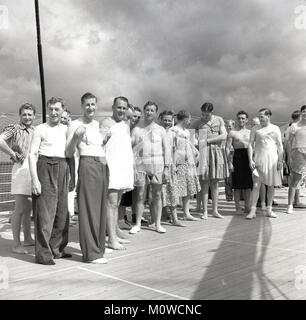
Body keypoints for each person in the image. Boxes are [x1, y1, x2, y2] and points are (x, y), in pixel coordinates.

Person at [66, 92, 108, 264]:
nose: (91, 108)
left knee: (99, 210)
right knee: (89, 209)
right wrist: (76, 137)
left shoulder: (97, 124)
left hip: (103, 165)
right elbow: (68, 152)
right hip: (88, 165)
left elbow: (98, 146)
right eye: (87, 105)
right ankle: (91, 253)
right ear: (82, 106)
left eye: (93, 104)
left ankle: (99, 247)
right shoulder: (74, 124)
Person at [29, 97, 71, 265]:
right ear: (47, 110)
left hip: (63, 166)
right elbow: (32, 154)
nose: (53, 112)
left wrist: (72, 177)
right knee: (45, 214)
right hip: (45, 166)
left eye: (57, 109)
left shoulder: (67, 129)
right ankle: (43, 254)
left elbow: (71, 153)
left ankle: (57, 249)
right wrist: (35, 179)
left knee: (62, 213)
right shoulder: (40, 129)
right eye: (51, 109)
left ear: (62, 111)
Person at [129, 101, 170, 234]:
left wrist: (167, 167)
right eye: (147, 110)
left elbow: (167, 149)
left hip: (158, 165)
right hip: (141, 165)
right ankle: (138, 224)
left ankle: (157, 223)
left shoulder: (161, 129)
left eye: (152, 110)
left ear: (155, 112)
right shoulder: (137, 129)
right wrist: (133, 167)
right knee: (140, 195)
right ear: (144, 111)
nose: (149, 112)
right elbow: (131, 149)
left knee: (157, 195)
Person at [0, 103, 36, 254]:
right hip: (20, 170)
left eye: (30, 114)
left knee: (28, 208)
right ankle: (16, 244)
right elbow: (0, 140)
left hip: (32, 169)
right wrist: (13, 154)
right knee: (20, 208)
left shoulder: (35, 130)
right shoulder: (14, 128)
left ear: (34, 116)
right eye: (24, 114)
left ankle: (27, 238)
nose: (27, 117)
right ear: (20, 115)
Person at [100, 96, 134, 250]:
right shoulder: (107, 122)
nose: (121, 110)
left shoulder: (125, 125)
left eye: (124, 108)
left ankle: (114, 234)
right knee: (111, 203)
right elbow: (101, 142)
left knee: (117, 203)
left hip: (122, 167)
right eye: (119, 107)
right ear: (113, 107)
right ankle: (111, 239)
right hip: (111, 166)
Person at [246, 108, 283, 219]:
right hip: (258, 159)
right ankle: (253, 210)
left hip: (272, 160)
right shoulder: (255, 128)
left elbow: (280, 145)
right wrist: (250, 159)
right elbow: (250, 145)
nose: (260, 118)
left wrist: (281, 160)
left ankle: (269, 209)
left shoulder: (275, 128)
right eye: (259, 116)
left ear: (268, 116)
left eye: (262, 116)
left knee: (271, 186)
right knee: (256, 185)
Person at [194, 102, 229, 219]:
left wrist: (209, 140)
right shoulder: (198, 122)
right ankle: (205, 211)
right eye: (203, 114)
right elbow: (194, 137)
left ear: (211, 112)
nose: (204, 117)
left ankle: (215, 210)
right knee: (204, 183)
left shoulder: (219, 120)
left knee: (215, 183)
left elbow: (224, 135)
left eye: (206, 115)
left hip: (216, 153)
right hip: (204, 153)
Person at [170, 110, 201, 221]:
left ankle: (186, 212)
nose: (189, 121)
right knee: (178, 187)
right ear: (185, 118)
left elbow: (189, 144)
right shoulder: (174, 130)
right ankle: (173, 214)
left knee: (188, 187)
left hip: (188, 162)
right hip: (179, 162)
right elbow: (173, 147)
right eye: (189, 119)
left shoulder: (186, 132)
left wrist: (195, 151)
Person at [160, 111, 186, 227]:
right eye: (165, 120)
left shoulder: (173, 134)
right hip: (159, 165)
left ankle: (175, 218)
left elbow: (175, 150)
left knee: (172, 191)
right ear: (161, 119)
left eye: (169, 120)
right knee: (158, 193)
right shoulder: (157, 132)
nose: (167, 122)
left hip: (170, 165)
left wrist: (174, 164)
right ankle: (158, 218)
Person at [226, 111, 253, 214]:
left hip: (248, 157)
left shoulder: (250, 132)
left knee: (248, 185)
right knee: (236, 185)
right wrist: (229, 163)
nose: (241, 120)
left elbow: (253, 146)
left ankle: (247, 207)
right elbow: (227, 148)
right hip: (237, 157)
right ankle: (237, 208)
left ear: (246, 120)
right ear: (237, 119)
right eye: (239, 118)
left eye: (243, 118)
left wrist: (252, 160)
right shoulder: (232, 133)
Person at [284, 110, 306, 209]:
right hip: (297, 153)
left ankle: (296, 201)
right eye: (304, 112)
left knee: (298, 180)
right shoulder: (293, 126)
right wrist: (288, 157)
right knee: (295, 179)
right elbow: (288, 142)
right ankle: (291, 204)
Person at [224, 120, 235, 201]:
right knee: (228, 178)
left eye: (230, 126)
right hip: (226, 156)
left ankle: (240, 196)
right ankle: (229, 196)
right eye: (227, 126)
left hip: (235, 156)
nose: (229, 127)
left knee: (235, 177)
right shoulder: (224, 136)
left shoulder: (235, 135)